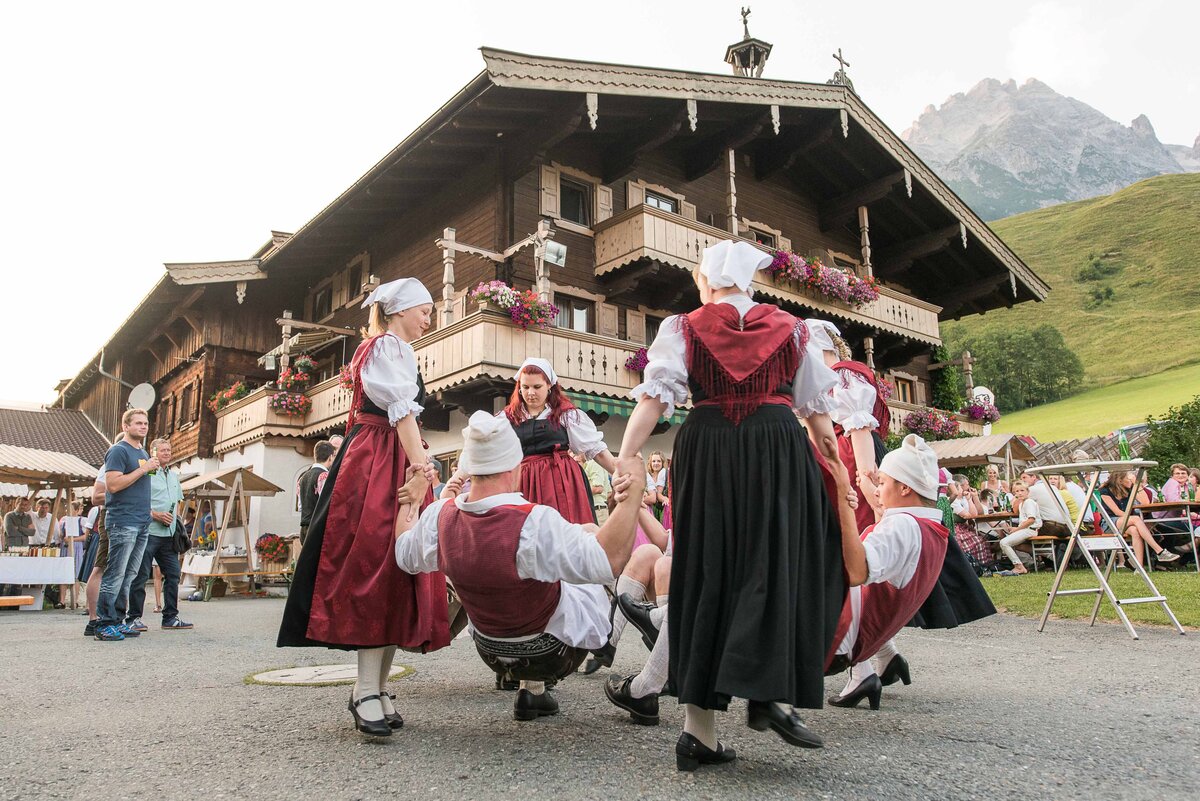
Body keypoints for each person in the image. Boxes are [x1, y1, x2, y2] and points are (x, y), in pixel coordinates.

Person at [617, 240, 849, 770]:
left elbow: (655, 399)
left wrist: (627, 457)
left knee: (705, 575)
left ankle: (697, 733)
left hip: (708, 446)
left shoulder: (683, 327)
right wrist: (836, 467)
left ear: (707, 280)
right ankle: (771, 694)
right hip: (776, 447)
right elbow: (817, 416)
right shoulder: (795, 329)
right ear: (750, 281)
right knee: (779, 562)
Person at [278, 277, 451, 738]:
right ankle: (366, 689)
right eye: (425, 311)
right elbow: (402, 413)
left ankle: (373, 687)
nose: (429, 319)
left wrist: (419, 465)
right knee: (378, 565)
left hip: (391, 456)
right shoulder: (386, 346)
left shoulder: (397, 349)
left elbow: (406, 416)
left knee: (399, 569)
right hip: (379, 460)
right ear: (399, 312)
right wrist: (422, 469)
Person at [394, 412, 645, 721]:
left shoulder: (440, 515)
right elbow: (610, 561)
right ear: (514, 467)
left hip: (489, 650)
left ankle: (532, 693)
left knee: (570, 545)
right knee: (584, 554)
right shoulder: (534, 521)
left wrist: (411, 497)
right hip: (549, 653)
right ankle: (604, 651)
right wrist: (633, 494)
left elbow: (403, 554)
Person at [824, 435, 963, 710]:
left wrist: (841, 501)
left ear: (904, 488)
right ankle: (884, 661)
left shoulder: (903, 526)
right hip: (853, 642)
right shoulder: (931, 530)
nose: (876, 491)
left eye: (882, 483)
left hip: (834, 640)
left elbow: (856, 571)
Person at [445, 357, 618, 525]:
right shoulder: (507, 418)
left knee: (566, 530)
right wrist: (456, 480)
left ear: (549, 386)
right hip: (524, 482)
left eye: (537, 387)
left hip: (562, 481)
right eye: (525, 387)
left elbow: (596, 450)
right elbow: (478, 446)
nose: (530, 393)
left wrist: (620, 474)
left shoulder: (567, 415)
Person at [808, 319, 889, 530]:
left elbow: (859, 427)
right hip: (846, 454)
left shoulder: (844, 374)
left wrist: (867, 482)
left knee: (862, 522)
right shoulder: (830, 379)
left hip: (856, 455)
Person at [95, 408, 157, 641]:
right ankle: (104, 623)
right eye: (138, 423)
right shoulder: (118, 450)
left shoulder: (142, 452)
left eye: (145, 423)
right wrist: (144, 469)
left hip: (141, 521)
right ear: (126, 426)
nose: (143, 427)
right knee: (115, 573)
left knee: (129, 574)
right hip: (123, 521)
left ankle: (118, 620)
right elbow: (112, 486)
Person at [125, 438, 191, 631]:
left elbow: (177, 502)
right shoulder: (146, 473)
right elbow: (136, 502)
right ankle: (133, 618)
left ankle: (170, 617)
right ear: (153, 452)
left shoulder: (173, 476)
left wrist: (177, 524)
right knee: (141, 575)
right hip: (149, 532)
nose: (167, 453)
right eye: (163, 450)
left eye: (169, 450)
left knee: (173, 574)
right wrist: (155, 515)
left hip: (169, 535)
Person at [1097, 470, 1180, 568]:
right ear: (1120, 480)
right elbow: (1117, 512)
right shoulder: (1105, 490)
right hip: (1110, 522)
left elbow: (1145, 503)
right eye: (1129, 479)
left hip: (1127, 522)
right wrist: (1135, 520)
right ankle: (1160, 551)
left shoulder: (1129, 488)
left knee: (1135, 530)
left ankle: (1139, 567)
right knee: (1136, 519)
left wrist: (1137, 485)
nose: (1131, 481)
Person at [995, 481, 1040, 575]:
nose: (1019, 493)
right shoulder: (1021, 504)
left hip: (1030, 530)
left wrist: (1017, 529)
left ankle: (1019, 566)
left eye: (1022, 490)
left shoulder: (1029, 502)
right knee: (1010, 542)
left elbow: (1031, 520)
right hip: (1026, 529)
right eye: (1017, 491)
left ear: (1027, 491)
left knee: (1004, 543)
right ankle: (1027, 563)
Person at [297, 440, 335, 543]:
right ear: (330, 457)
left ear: (315, 456)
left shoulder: (302, 478)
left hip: (304, 528)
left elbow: (300, 507)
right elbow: (327, 504)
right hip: (317, 528)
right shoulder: (325, 476)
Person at [1021, 470, 1072, 538]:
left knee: (1024, 533)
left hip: (1053, 527)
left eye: (1024, 477)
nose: (1022, 481)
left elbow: (1016, 508)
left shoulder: (1032, 489)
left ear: (1033, 477)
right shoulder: (1052, 487)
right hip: (1067, 527)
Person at [57, 500, 88, 608]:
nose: (67, 510)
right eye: (67, 508)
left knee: (76, 574)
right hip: (65, 547)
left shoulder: (81, 520)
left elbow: (85, 536)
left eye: (70, 508)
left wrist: (73, 539)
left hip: (76, 547)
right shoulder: (63, 520)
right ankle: (62, 601)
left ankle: (74, 600)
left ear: (76, 510)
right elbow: (60, 534)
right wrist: (62, 537)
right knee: (63, 573)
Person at [573, 450, 611, 524]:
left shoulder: (593, 463)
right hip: (597, 510)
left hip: (597, 511)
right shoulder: (588, 466)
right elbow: (609, 493)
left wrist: (577, 492)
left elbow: (598, 488)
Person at [644, 451, 668, 521]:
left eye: (659, 461)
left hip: (662, 509)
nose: (656, 463)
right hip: (649, 509)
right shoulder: (646, 476)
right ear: (650, 463)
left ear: (662, 463)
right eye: (653, 461)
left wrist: (665, 498)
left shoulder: (665, 475)